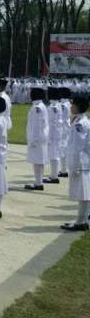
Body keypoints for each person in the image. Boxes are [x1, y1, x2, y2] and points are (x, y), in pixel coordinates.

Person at [61, 94, 90, 232]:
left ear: (78, 106)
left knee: (84, 193)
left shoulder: (80, 123)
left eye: (73, 104)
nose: (71, 106)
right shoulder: (78, 120)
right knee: (81, 193)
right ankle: (81, 219)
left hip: (82, 163)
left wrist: (76, 165)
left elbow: (78, 146)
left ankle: (81, 222)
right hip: (80, 162)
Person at [24, 87, 50, 191]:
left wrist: (34, 139)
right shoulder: (40, 105)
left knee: (37, 161)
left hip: (37, 138)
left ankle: (38, 183)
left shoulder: (36, 107)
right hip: (41, 137)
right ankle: (38, 181)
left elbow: (36, 125)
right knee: (39, 160)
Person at [46, 87, 63, 185]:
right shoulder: (57, 104)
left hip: (53, 133)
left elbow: (52, 122)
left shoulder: (53, 106)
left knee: (54, 154)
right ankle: (54, 175)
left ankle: (54, 176)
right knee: (55, 153)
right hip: (56, 132)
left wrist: (49, 135)